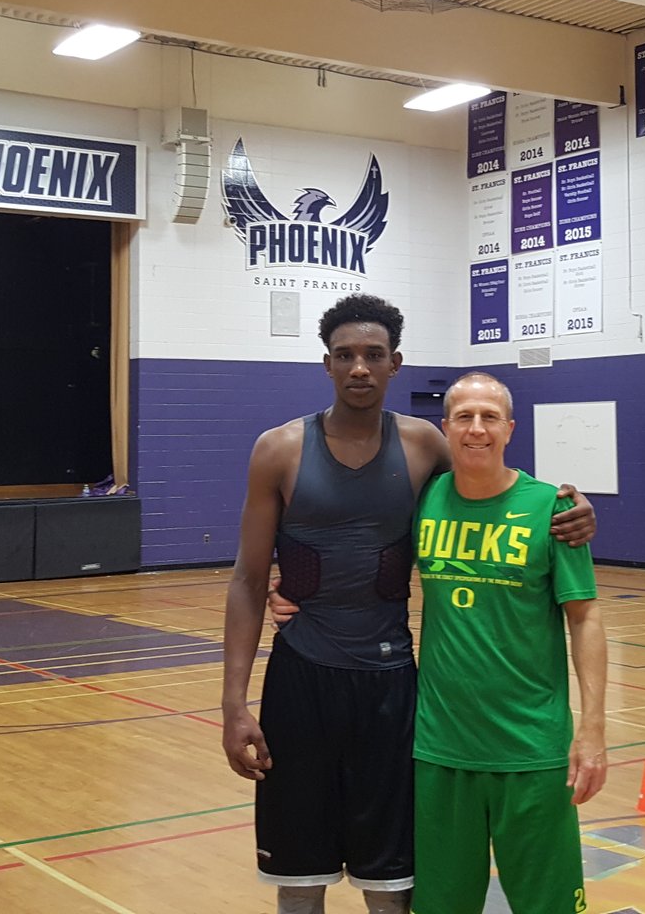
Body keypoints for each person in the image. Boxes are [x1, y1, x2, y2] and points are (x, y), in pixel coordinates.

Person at [221, 295, 595, 914]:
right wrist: (234, 703)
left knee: (392, 878)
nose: (359, 367)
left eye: (373, 355)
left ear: (395, 363)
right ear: (326, 364)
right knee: (298, 873)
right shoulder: (279, 448)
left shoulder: (425, 445)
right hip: (300, 678)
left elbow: (492, 485)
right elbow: (246, 577)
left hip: (392, 686)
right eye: (345, 355)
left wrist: (570, 506)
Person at [410, 371, 605, 914]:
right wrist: (290, 592)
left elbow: (585, 618)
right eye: (464, 417)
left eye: (490, 417)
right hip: (440, 748)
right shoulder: (421, 501)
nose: (477, 429)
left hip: (533, 750)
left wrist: (592, 729)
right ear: (445, 428)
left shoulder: (554, 509)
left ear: (510, 429)